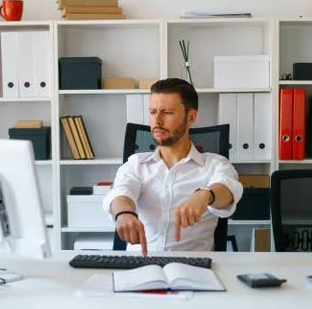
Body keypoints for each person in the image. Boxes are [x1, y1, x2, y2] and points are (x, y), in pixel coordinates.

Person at [103, 78, 243, 256]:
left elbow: (228, 189)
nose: (157, 121)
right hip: (140, 266)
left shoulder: (215, 164)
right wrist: (123, 214)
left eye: (167, 113)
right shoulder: (136, 164)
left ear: (191, 117)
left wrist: (206, 195)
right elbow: (121, 192)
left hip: (193, 269)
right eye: (153, 112)